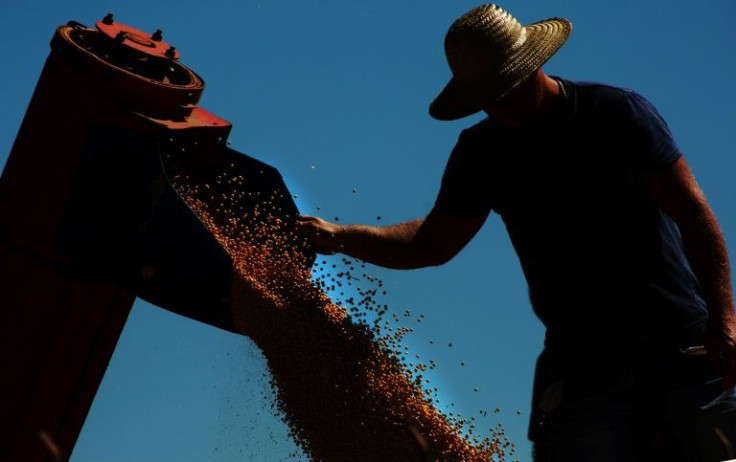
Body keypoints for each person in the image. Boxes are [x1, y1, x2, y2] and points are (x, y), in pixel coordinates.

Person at [295, 4, 736, 461]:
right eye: (486, 97)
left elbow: (692, 211)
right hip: (581, 362)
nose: (499, 106)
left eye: (506, 90)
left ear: (533, 67)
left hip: (674, 344)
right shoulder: (481, 153)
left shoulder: (614, 114)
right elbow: (431, 242)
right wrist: (340, 236)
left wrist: (724, 320)